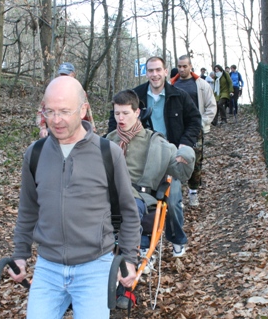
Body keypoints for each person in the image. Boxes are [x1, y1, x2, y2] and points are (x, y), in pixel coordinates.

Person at [9, 76, 140, 319]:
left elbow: (128, 211)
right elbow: (28, 210)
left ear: (83, 110)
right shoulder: (35, 154)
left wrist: (128, 258)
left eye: (64, 111)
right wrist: (21, 254)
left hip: (95, 266)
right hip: (50, 266)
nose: (56, 119)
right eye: (49, 111)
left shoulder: (106, 152)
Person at [108, 56, 201, 257]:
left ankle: (176, 238)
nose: (154, 74)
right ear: (146, 72)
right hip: (142, 152)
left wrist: (184, 144)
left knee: (173, 200)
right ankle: (139, 245)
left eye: (158, 70)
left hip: (168, 153)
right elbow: (114, 120)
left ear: (166, 71)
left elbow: (195, 121)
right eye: (150, 70)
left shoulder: (179, 95)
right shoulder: (137, 95)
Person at [170, 55, 216, 207]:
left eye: (184, 66)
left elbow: (211, 106)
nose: (182, 69)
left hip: (195, 130)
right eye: (179, 66)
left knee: (195, 161)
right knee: (175, 160)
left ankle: (193, 192)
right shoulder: (171, 85)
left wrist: (201, 123)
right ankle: (178, 195)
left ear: (190, 66)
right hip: (175, 130)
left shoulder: (201, 85)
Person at [38, 62, 96, 138]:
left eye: (66, 75)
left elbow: (87, 111)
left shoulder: (79, 91)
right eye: (62, 75)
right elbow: (41, 111)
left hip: (76, 131)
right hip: (56, 131)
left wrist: (92, 128)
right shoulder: (52, 90)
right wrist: (43, 128)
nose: (64, 78)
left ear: (73, 75)